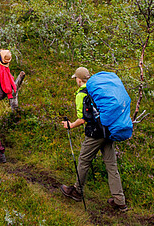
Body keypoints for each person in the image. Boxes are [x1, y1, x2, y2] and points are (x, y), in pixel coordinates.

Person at [60, 67, 128, 212]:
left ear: (78, 79)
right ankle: (119, 200)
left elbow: (82, 119)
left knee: (84, 161)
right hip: (108, 130)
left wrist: (70, 125)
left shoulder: (81, 94)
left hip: (95, 133)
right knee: (111, 165)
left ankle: (77, 192)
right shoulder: (98, 90)